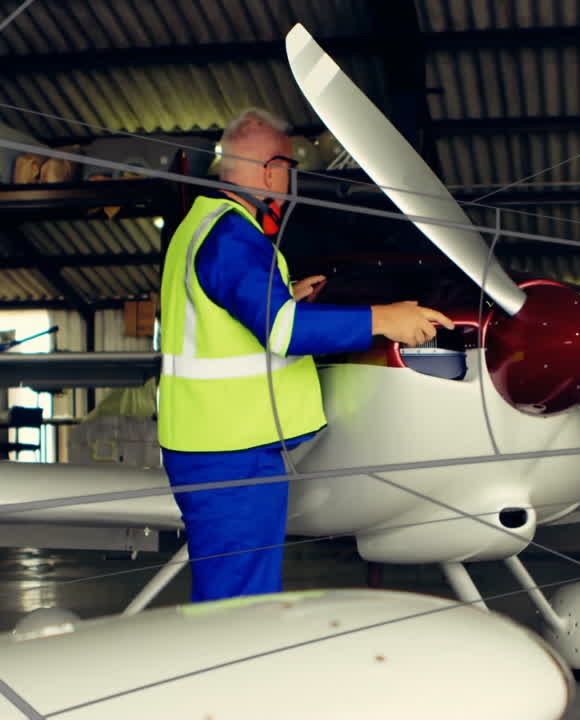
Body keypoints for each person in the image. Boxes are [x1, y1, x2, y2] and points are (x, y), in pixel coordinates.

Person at [157, 108, 453, 602]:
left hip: (221, 444)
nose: (289, 183)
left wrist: (285, 293)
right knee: (237, 602)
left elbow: (233, 312)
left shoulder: (203, 227)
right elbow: (281, 331)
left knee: (238, 592)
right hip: (231, 452)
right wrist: (385, 318)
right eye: (290, 169)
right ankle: (233, 678)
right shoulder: (234, 237)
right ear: (271, 169)